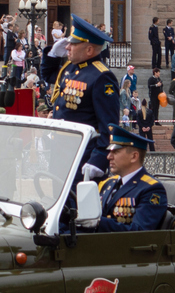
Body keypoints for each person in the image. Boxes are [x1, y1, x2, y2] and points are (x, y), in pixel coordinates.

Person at [48, 14, 121, 180]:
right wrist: (52, 54)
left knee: (78, 204)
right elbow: (49, 75)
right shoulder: (72, 69)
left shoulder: (101, 76)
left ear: (89, 50)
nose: (67, 48)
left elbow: (109, 126)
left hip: (83, 159)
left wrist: (99, 160)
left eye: (73, 44)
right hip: (61, 155)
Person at [91, 126, 167, 232]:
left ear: (134, 157)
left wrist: (98, 222)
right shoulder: (107, 183)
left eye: (115, 152)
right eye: (109, 151)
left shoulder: (151, 189)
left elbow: (139, 231)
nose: (109, 157)